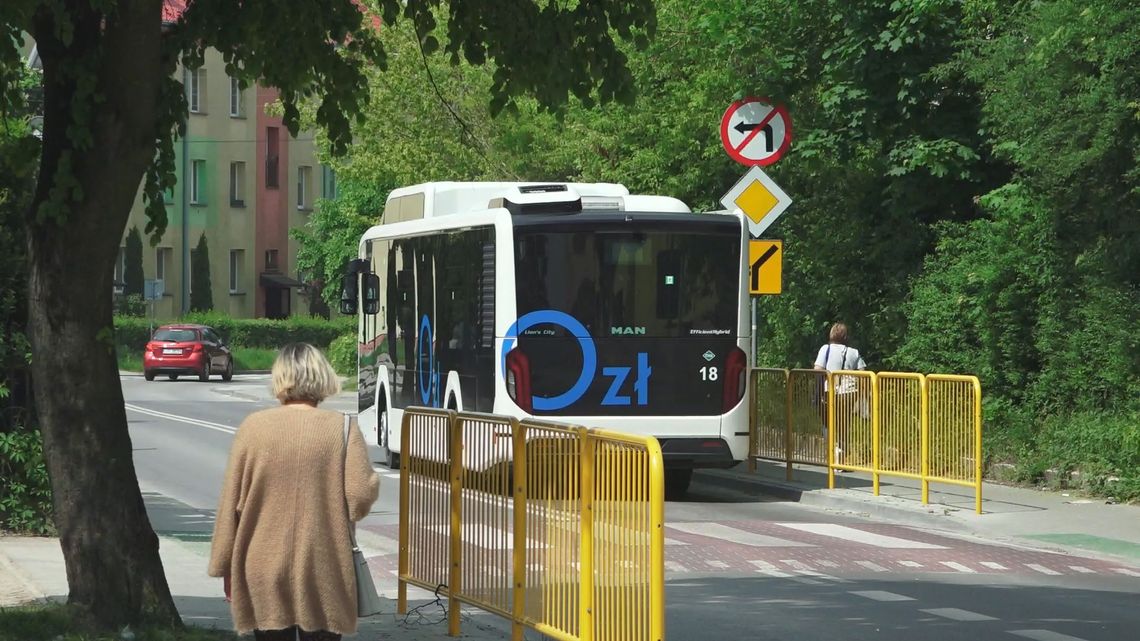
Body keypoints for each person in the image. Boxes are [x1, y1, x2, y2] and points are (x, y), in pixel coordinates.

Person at [208, 343, 380, 641]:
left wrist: (223, 564)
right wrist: (370, 481)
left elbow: (230, 504)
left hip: (262, 565)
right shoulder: (342, 428)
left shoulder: (253, 428)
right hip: (323, 567)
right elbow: (359, 499)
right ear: (323, 376)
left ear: (280, 377)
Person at [813, 323, 868, 465]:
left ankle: (834, 451)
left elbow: (817, 369)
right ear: (846, 336)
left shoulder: (825, 349)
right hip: (850, 391)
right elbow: (863, 373)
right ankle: (842, 455)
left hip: (830, 391)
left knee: (828, 422)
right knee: (844, 423)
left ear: (831, 334)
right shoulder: (853, 352)